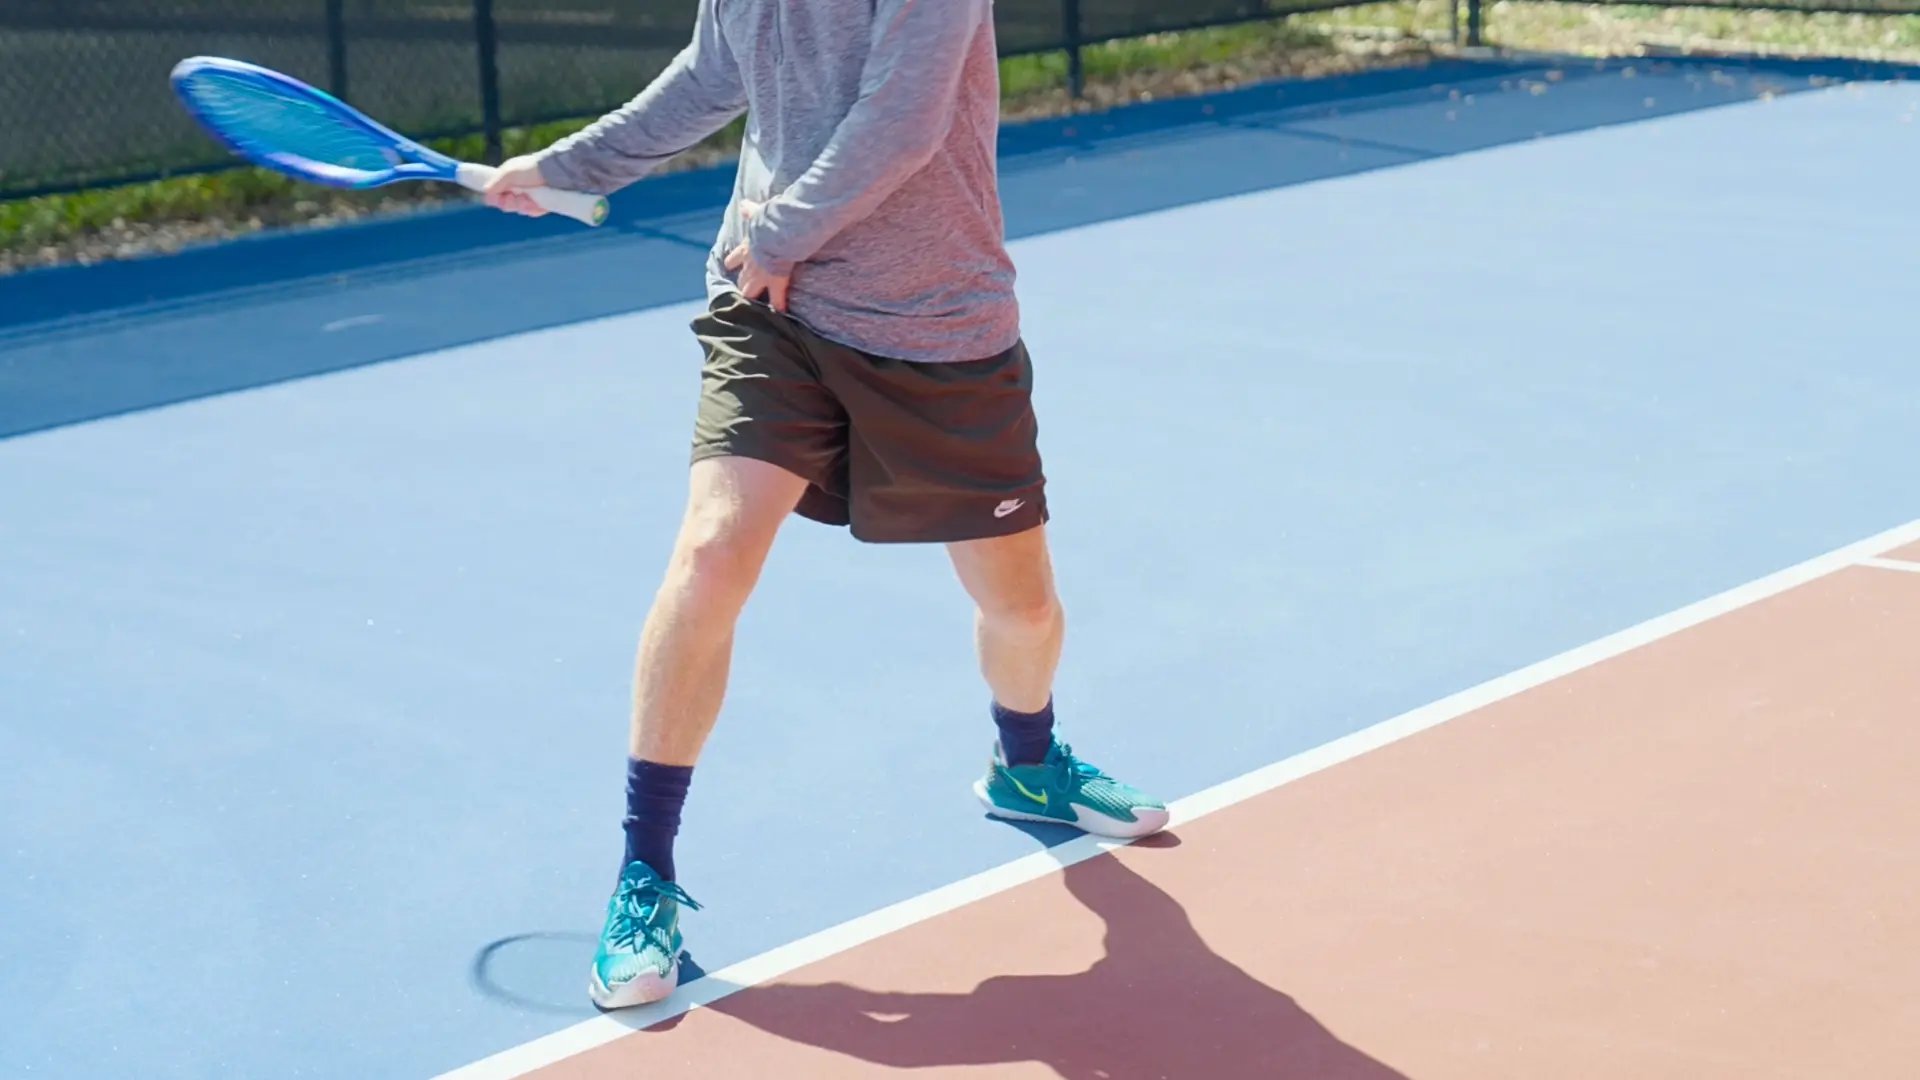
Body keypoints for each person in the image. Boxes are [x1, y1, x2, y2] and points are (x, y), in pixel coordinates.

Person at [484, 0, 1169, 1011]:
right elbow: (708, 79)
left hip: (936, 322)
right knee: (713, 555)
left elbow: (903, 121)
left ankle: (1027, 763)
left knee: (1021, 607)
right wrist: (570, 168)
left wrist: (782, 230)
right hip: (772, 309)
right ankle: (645, 873)